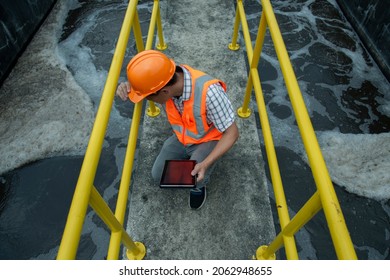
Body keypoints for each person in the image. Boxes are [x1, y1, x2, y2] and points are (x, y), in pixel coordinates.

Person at [116, 50, 239, 210]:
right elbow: (147, 80)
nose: (147, 100)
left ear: (164, 91)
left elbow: (233, 133)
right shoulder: (164, 77)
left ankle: (199, 188)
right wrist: (127, 86)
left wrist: (206, 163)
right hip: (184, 137)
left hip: (210, 139)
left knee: (196, 175)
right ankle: (194, 164)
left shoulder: (211, 93)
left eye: (148, 98)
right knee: (158, 174)